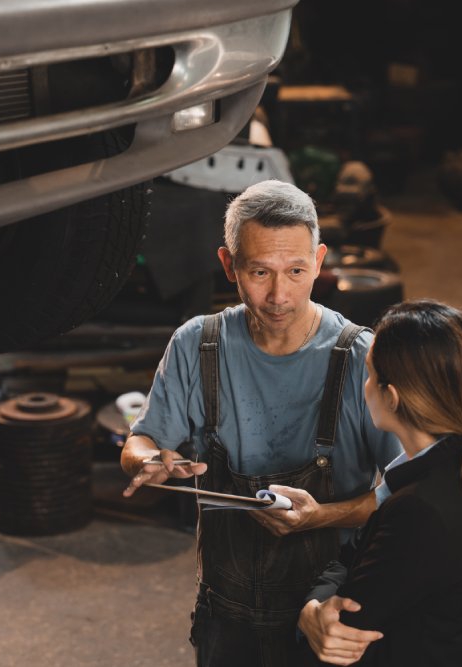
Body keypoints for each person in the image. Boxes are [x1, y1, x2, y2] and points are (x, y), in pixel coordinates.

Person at [119, 179, 402, 667]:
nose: (278, 295)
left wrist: (323, 516)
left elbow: (403, 493)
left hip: (327, 615)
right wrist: (148, 460)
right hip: (225, 619)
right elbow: (141, 441)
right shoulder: (196, 345)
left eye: (295, 270)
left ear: (319, 260)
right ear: (229, 265)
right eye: (259, 272)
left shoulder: (360, 357)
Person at [297, 299, 462, 667]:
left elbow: (341, 629)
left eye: (369, 375)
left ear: (391, 397)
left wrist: (307, 612)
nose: (365, 386)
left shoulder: (419, 510)